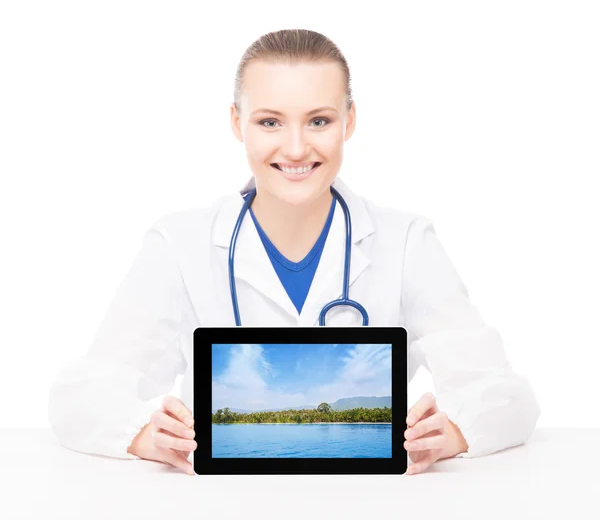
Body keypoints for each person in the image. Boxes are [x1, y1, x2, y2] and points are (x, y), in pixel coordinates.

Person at [48, 29, 541, 477]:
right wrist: (139, 433)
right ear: (237, 123)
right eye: (270, 122)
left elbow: (507, 394)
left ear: (349, 121)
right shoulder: (179, 244)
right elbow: (80, 395)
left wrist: (454, 434)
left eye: (319, 120)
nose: (297, 147)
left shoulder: (407, 241)